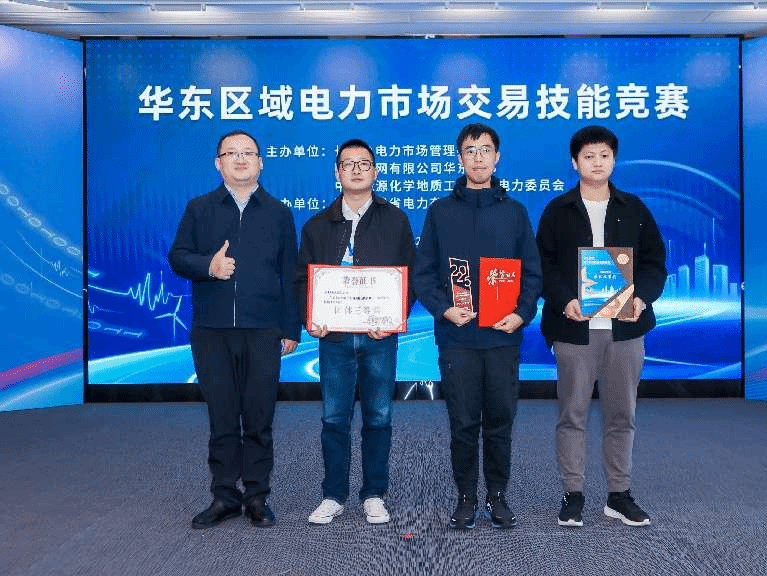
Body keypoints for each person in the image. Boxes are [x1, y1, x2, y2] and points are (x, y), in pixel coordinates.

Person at [412, 123, 542, 530]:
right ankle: (466, 496)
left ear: (497, 157)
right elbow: (423, 274)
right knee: (464, 423)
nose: (478, 157)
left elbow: (532, 274)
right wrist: (444, 310)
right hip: (457, 337)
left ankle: (497, 496)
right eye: (470, 150)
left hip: (503, 336)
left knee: (501, 421)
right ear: (460, 158)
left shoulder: (515, 212)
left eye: (486, 149)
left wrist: (521, 313)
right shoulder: (440, 211)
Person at [535, 125, 666, 528]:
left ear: (614, 160)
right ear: (574, 162)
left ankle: (619, 494)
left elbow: (654, 263)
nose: (597, 162)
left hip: (625, 329)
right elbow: (544, 266)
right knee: (572, 414)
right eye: (588, 156)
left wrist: (642, 296)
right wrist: (565, 300)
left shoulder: (634, 208)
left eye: (604, 155)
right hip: (574, 329)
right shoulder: (558, 211)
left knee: (622, 414)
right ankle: (573, 494)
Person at [168, 130, 300, 529]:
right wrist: (208, 266)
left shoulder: (278, 213)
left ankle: (257, 496)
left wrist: (290, 328)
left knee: (259, 417)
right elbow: (178, 257)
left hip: (263, 330)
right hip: (212, 331)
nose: (240, 159)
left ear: (261, 162)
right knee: (222, 417)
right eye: (231, 153)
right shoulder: (200, 208)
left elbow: (289, 274)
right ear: (218, 163)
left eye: (248, 153)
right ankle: (224, 496)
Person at [297, 138, 415, 525]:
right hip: (333, 338)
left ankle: (374, 493)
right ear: (337, 173)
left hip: (380, 337)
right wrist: (311, 317)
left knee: (378, 416)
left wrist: (395, 316)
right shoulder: (317, 226)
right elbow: (302, 279)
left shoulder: (395, 220)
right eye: (348, 164)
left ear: (375, 171)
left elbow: (410, 276)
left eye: (364, 163)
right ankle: (333, 494)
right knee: (334, 418)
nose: (357, 170)